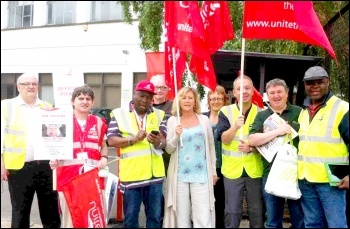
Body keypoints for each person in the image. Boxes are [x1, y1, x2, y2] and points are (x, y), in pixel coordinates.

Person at [0, 73, 61, 228]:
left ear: (38, 87)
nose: (31, 86)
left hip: (46, 167)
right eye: (26, 84)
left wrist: (57, 155)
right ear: (18, 87)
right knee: (20, 213)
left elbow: (55, 136)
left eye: (34, 84)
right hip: (19, 167)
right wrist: (2, 164)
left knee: (51, 212)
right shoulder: (6, 107)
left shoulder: (47, 107)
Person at [107, 80, 167, 228]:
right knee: (131, 218)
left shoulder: (160, 115)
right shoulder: (118, 114)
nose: (145, 100)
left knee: (154, 218)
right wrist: (132, 139)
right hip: (132, 177)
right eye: (141, 95)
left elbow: (164, 142)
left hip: (155, 178)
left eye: (149, 97)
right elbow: (111, 140)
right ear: (134, 94)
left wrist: (158, 141)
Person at [49, 85, 109, 228]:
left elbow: (104, 145)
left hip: (92, 176)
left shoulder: (99, 122)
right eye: (80, 98)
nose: (84, 101)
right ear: (72, 101)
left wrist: (104, 158)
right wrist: (53, 159)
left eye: (88, 98)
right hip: (68, 177)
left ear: (93, 102)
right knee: (71, 217)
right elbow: (52, 145)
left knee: (92, 217)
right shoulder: (61, 121)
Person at [248, 78, 304, 228]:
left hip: (296, 174)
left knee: (299, 220)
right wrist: (279, 131)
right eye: (272, 93)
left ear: (286, 93)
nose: (276, 96)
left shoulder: (300, 113)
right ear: (267, 95)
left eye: (279, 92)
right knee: (272, 221)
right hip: (271, 174)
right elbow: (252, 139)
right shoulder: (262, 115)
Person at [297, 66, 349, 228]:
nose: (315, 86)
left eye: (320, 82)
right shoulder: (304, 111)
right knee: (312, 224)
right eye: (310, 83)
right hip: (306, 179)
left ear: (329, 83)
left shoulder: (343, 109)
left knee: (336, 224)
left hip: (332, 181)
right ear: (305, 85)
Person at [163, 86, 217, 228]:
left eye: (190, 98)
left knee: (203, 216)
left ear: (195, 102)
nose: (187, 100)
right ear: (178, 101)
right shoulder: (173, 121)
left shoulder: (204, 120)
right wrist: (176, 136)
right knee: (181, 217)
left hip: (201, 175)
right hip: (179, 176)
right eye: (183, 97)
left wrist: (213, 172)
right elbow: (169, 149)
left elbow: (211, 147)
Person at [216, 75, 264, 228]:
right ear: (234, 93)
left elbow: (267, 142)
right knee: (232, 211)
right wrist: (235, 126)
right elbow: (224, 139)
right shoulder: (225, 111)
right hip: (232, 170)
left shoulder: (262, 112)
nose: (244, 91)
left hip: (255, 169)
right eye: (239, 88)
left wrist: (253, 148)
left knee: (256, 212)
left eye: (247, 88)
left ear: (252, 91)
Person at [203, 85, 228, 228]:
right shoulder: (202, 117)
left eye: (219, 98)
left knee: (220, 202)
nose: (216, 101)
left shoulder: (228, 117)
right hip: (205, 166)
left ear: (224, 100)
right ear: (208, 101)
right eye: (213, 98)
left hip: (223, 166)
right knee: (204, 202)